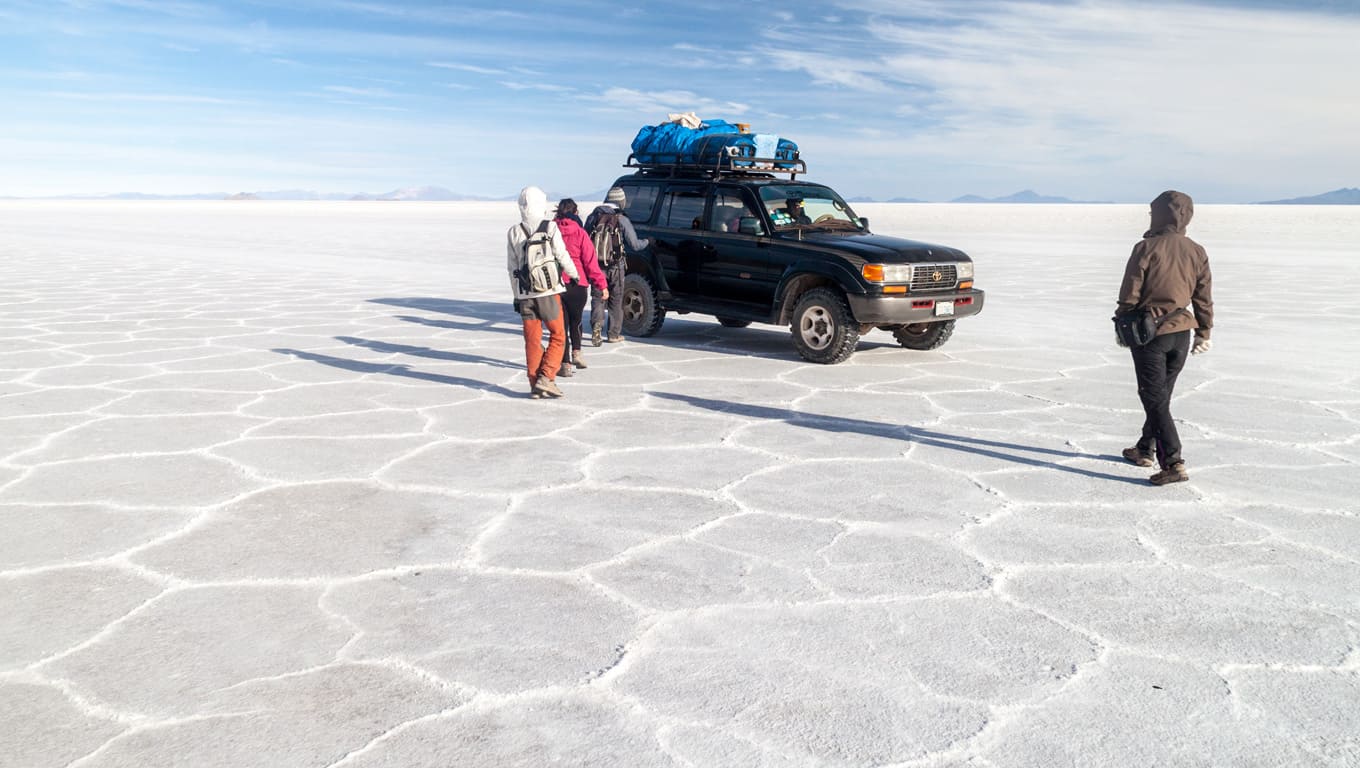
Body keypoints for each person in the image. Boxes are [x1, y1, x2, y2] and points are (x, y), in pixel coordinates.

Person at [1116, 189, 1214, 485]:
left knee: (1153, 397)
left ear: (1160, 215)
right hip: (1182, 334)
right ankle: (1145, 448)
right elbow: (1203, 296)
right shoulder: (1197, 250)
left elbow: (1130, 292)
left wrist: (1122, 323)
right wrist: (1204, 331)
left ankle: (1173, 462)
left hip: (1150, 334)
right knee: (1161, 395)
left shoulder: (1146, 248)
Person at [507, 186, 579, 399]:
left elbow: (512, 268)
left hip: (526, 293)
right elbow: (562, 255)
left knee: (532, 339)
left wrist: (517, 295)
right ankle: (546, 378)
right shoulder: (550, 227)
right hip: (548, 291)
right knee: (558, 336)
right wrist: (574, 275)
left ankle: (534, 383)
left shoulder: (514, 231)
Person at [585, 187, 652, 344]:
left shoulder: (593, 217)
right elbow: (635, 245)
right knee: (616, 298)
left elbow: (585, 239)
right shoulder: (621, 219)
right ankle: (613, 334)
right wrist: (648, 242)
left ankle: (596, 328)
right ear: (621, 201)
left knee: (598, 297)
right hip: (616, 265)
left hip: (596, 266)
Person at [553, 198, 608, 372]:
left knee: (561, 326)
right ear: (575, 213)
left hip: (556, 284)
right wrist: (602, 285)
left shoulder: (550, 231)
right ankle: (577, 353)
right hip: (578, 284)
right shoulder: (580, 233)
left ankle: (565, 364)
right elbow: (591, 263)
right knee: (576, 321)